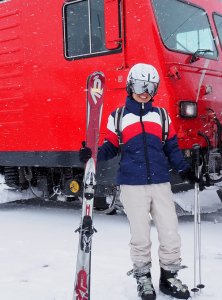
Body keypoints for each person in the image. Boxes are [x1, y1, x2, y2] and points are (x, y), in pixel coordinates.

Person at [80, 63, 194, 300]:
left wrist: (185, 169)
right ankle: (143, 278)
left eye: (151, 87)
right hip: (132, 185)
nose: (145, 91)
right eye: (141, 85)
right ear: (131, 85)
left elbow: (171, 148)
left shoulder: (161, 116)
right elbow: (111, 147)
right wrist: (92, 154)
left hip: (160, 183)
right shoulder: (119, 116)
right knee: (140, 234)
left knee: (170, 232)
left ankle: (168, 277)